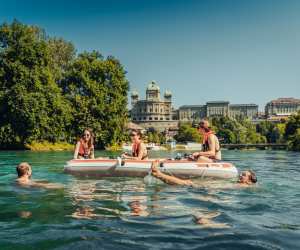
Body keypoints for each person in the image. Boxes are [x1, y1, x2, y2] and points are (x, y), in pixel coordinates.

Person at [150, 160, 257, 187]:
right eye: (241, 173)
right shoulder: (241, 184)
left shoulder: (245, 186)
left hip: (212, 188)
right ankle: (158, 175)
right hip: (212, 187)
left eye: (243, 175)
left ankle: (158, 174)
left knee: (186, 183)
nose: (240, 175)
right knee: (186, 183)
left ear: (248, 180)